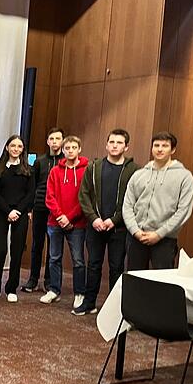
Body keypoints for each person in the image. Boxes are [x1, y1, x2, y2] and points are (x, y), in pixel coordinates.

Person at [73, 129, 139, 315]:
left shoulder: (134, 170)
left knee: (116, 267)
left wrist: (115, 219)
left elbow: (133, 199)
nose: (115, 146)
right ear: (106, 144)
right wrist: (93, 219)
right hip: (95, 226)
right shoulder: (94, 167)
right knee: (93, 264)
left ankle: (115, 307)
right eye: (112, 142)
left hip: (118, 228)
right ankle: (89, 302)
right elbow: (83, 195)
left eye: (119, 143)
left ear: (126, 146)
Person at [122, 131, 193, 271]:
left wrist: (159, 234)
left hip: (164, 239)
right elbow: (128, 205)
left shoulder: (184, 177)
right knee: (135, 281)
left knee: (162, 285)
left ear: (172, 149)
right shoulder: (139, 174)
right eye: (156, 145)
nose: (160, 149)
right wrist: (135, 230)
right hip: (136, 237)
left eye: (165, 146)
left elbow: (183, 211)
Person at [40, 136, 88, 306]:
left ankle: (80, 293)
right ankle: (54, 290)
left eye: (74, 147)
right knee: (54, 258)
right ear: (63, 149)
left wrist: (70, 217)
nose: (70, 151)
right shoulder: (55, 171)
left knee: (78, 260)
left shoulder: (86, 170)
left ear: (79, 149)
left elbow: (85, 198)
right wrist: (60, 216)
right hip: (55, 222)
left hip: (77, 224)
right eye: (67, 148)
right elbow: (49, 197)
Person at [0, 135, 34, 302]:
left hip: (19, 214)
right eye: (12, 145)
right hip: (1, 212)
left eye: (19, 146)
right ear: (7, 147)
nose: (15, 149)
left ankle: (11, 288)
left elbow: (30, 194)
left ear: (23, 149)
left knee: (17, 251)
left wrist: (18, 211)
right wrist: (8, 211)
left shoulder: (28, 170)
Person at [21, 127, 64, 293]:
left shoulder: (65, 162)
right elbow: (33, 185)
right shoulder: (39, 161)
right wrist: (30, 208)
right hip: (39, 207)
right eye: (51, 139)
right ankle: (33, 279)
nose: (54, 142)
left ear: (62, 141)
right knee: (37, 245)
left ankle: (49, 280)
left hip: (57, 210)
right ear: (48, 141)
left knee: (53, 246)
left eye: (57, 139)